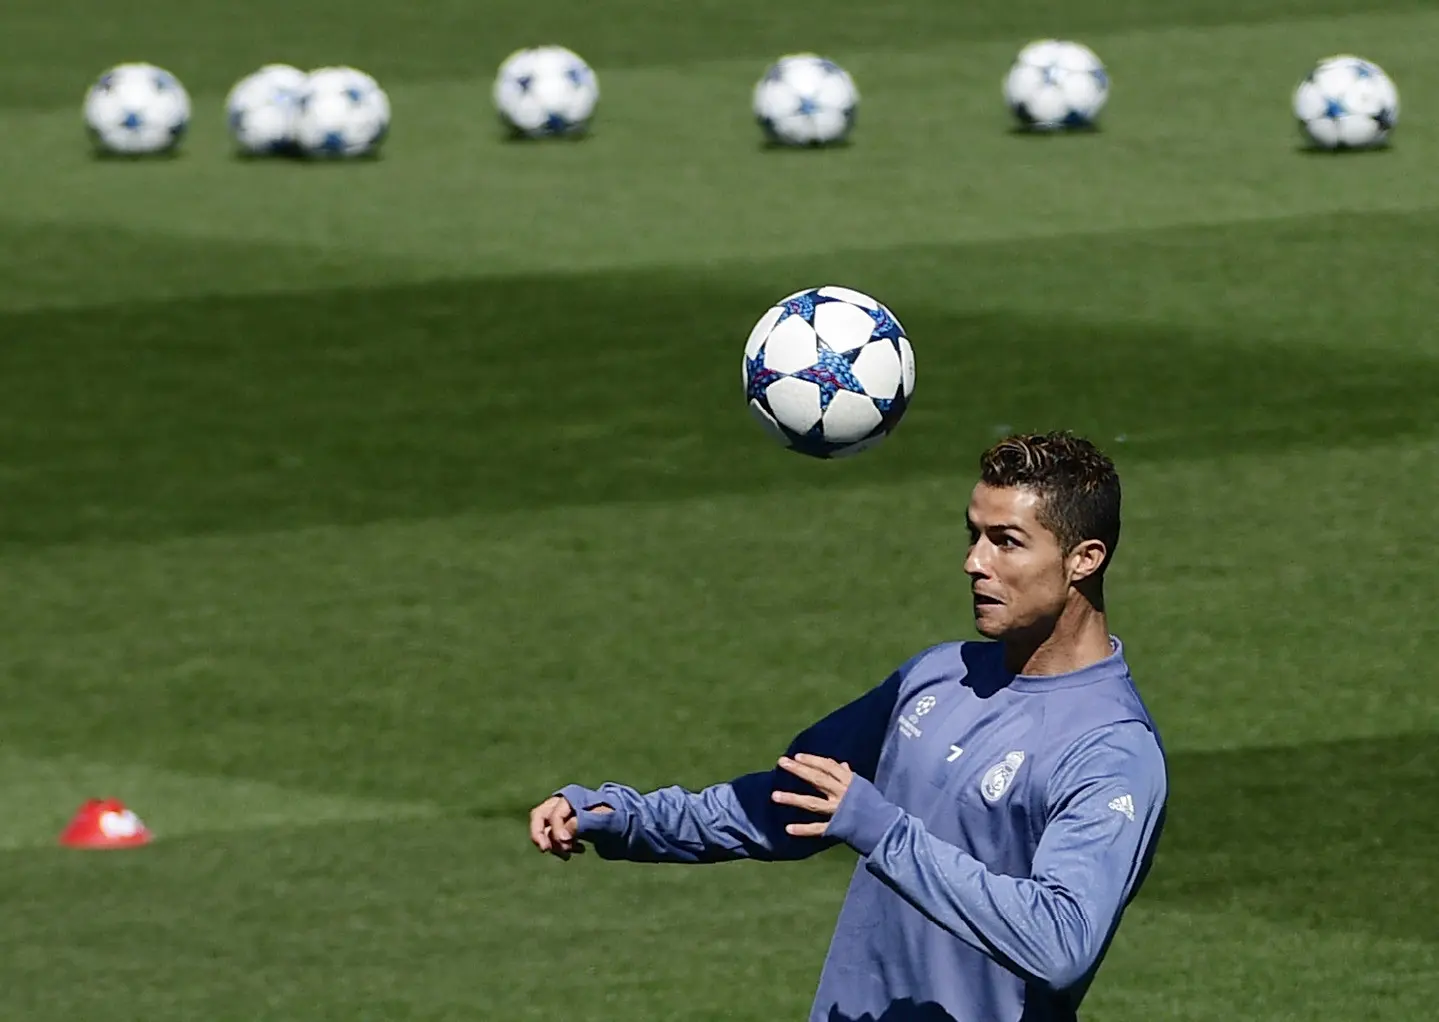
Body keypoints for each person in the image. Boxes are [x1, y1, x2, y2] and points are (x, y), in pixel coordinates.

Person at [528, 431, 1167, 1022]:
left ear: (1084, 559)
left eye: (1006, 541)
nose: (974, 562)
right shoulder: (937, 676)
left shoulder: (1109, 746)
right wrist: (622, 817)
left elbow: (1060, 943)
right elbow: (783, 803)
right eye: (972, 535)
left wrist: (882, 830)